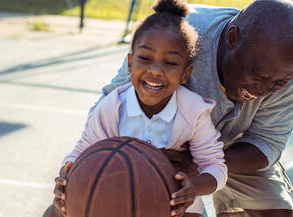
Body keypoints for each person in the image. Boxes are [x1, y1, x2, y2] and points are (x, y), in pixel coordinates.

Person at [48, 0, 293, 216]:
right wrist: (73, 175)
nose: (267, 88)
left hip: (233, 150)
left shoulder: (287, 70)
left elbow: (267, 143)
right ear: (232, 39)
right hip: (151, 145)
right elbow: (106, 111)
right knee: (74, 203)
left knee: (275, 214)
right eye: (259, 74)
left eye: (280, 82)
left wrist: (197, 165)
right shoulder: (177, 37)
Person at [49, 0, 227, 216]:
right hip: (115, 199)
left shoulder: (194, 111)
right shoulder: (113, 107)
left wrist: (193, 188)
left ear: (185, 74)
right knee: (56, 212)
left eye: (170, 63)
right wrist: (66, 177)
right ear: (130, 63)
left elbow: (215, 167)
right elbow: (81, 152)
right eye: (144, 58)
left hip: (175, 208)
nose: (155, 70)